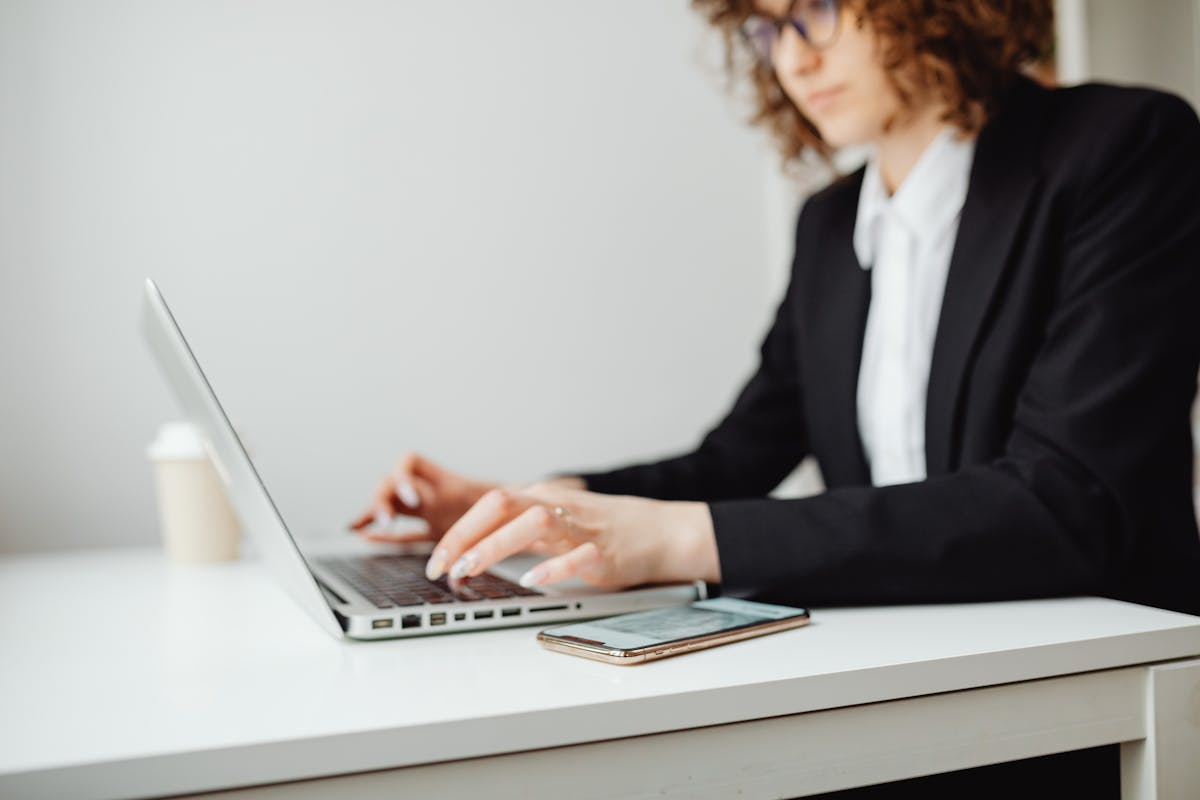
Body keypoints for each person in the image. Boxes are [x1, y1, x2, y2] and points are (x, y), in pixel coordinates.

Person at [352, 0, 1200, 796]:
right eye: (765, 29)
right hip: (903, 679)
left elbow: (1068, 501)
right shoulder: (831, 225)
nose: (794, 57)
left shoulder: (1124, 147)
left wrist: (682, 538)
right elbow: (739, 454)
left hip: (1099, 699)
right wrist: (541, 504)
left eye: (817, 9)